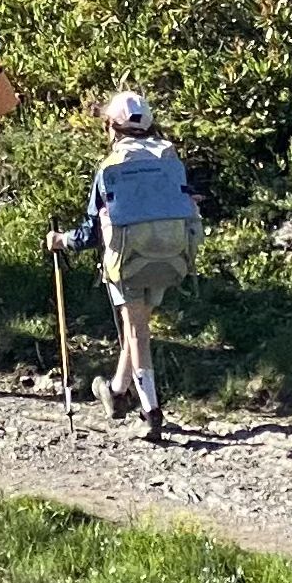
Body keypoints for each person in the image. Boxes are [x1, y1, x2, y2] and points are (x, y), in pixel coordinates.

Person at [53, 90, 200, 441]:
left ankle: (151, 411)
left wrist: (59, 241)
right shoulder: (169, 157)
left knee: (136, 332)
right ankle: (117, 392)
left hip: (128, 258)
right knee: (139, 326)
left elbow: (90, 233)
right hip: (173, 253)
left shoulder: (111, 168)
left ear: (110, 127)